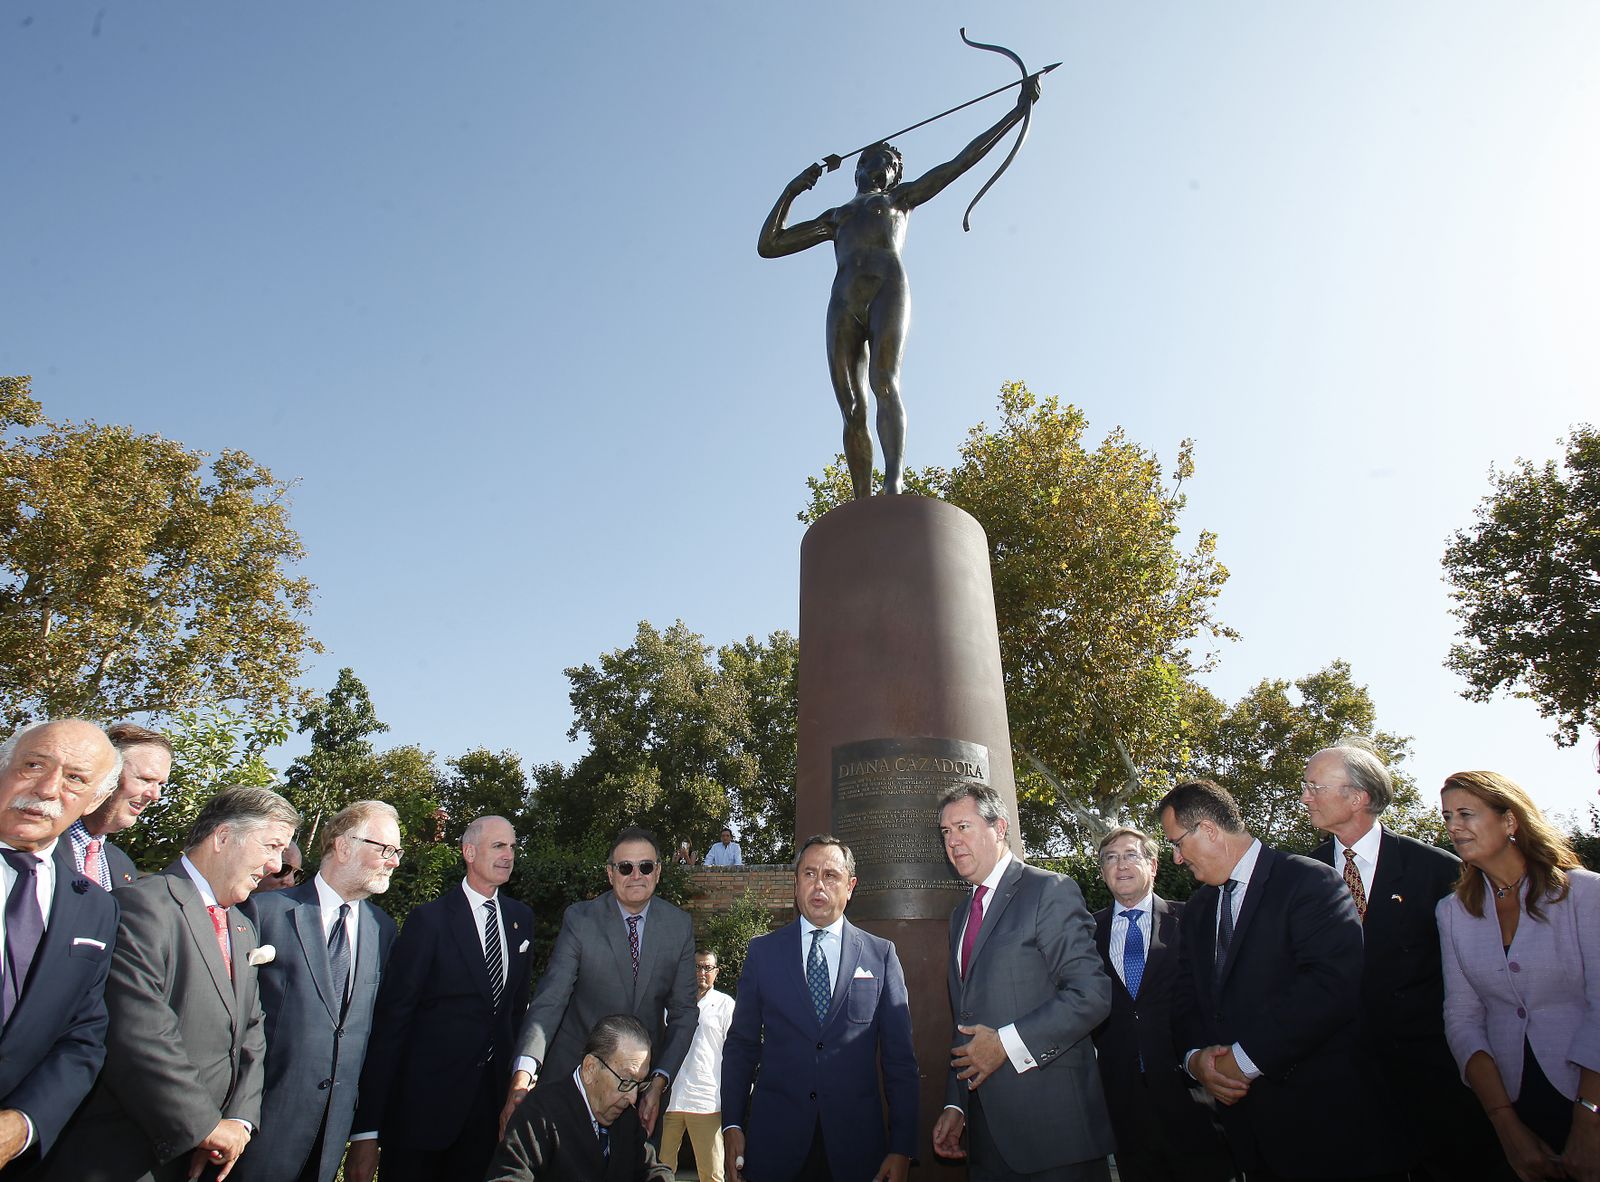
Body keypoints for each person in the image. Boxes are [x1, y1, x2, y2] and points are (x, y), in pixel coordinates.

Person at [757, 74, 1041, 499]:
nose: (885, 168)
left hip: (887, 287)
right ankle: (862, 501)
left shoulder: (897, 200)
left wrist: (1016, 112)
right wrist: (792, 189)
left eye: (892, 164)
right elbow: (770, 244)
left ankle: (893, 483)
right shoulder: (835, 216)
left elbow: (958, 163)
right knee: (851, 408)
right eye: (878, 159)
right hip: (843, 300)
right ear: (858, 166)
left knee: (885, 381)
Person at [41, 785, 300, 1182]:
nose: (275, 865)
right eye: (271, 846)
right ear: (223, 837)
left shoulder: (243, 926)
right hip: (125, 1156)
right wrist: (203, 1126)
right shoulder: (142, 904)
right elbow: (137, 1030)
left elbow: (251, 1031)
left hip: (201, 1157)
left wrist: (239, 1122)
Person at [1160, 779, 1404, 1181]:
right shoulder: (1200, 907)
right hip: (1249, 1137)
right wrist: (1196, 1059)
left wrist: (1242, 1061)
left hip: (1324, 1128)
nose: (1177, 858)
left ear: (1207, 830)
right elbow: (1186, 996)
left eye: (1178, 843)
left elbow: (1329, 987)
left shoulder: (1311, 882)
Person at [1302, 742, 1495, 1179]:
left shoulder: (1440, 871)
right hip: (1341, 1088)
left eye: (1316, 786)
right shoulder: (1300, 878)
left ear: (1358, 797)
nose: (1305, 796)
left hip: (1434, 1089)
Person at [931, 785, 1114, 1181]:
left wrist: (1006, 1045)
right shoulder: (961, 915)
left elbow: (1091, 994)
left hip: (1055, 1138)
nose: (953, 840)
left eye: (963, 826)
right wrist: (956, 1104)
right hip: (986, 1142)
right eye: (945, 832)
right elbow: (966, 1018)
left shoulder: (1049, 890)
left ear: (1000, 828)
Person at [721, 835, 917, 1182]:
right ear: (796, 884)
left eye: (831, 876)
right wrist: (733, 1124)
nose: (819, 886)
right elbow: (741, 1046)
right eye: (809, 874)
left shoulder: (881, 955)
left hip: (856, 1150)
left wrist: (902, 1146)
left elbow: (899, 1059)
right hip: (774, 1145)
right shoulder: (763, 954)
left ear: (850, 886)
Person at [349, 815, 533, 1182]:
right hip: (422, 1117)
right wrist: (366, 1131)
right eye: (499, 846)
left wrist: (516, 1084)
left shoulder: (521, 918)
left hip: (488, 1119)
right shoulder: (428, 921)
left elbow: (514, 1013)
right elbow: (392, 1024)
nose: (508, 855)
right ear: (469, 851)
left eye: (513, 847)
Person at [1436, 770, 1600, 1182]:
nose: (1454, 827)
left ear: (1510, 821)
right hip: (1515, 1104)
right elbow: (1462, 1018)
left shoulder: (1585, 893)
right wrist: (1505, 1124)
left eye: (1466, 814)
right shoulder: (1452, 912)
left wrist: (1589, 1122)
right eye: (1447, 817)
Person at [233, 801, 401, 1182]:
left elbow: (376, 1037)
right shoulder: (264, 911)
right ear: (344, 847)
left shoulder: (382, 929)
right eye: (385, 850)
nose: (393, 861)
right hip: (257, 1131)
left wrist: (364, 1133)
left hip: (329, 1141)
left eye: (397, 852)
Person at [507, 826, 697, 1138]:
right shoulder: (580, 920)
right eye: (625, 867)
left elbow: (684, 1013)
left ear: (658, 871)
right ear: (610, 874)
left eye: (645, 866)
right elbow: (551, 998)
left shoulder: (679, 926)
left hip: (640, 1094)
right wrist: (524, 1072)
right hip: (575, 1082)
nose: (636, 875)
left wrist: (659, 1081)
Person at [0, 720, 122, 1175]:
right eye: (34, 765)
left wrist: (25, 1123)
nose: (49, 788)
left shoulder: (95, 908)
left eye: (76, 779)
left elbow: (83, 1035)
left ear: (94, 801)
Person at [1090, 827, 1235, 1182]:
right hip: (1123, 1104)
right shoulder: (1085, 931)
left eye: (1130, 855)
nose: (1120, 864)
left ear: (1153, 866)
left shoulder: (1191, 920)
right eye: (1110, 858)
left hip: (1191, 1095)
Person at [486, 1014, 674, 1182]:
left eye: (639, 1084)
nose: (633, 1098)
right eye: (625, 1081)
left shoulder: (627, 1118)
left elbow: (652, 1170)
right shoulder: (538, 1113)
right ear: (590, 1068)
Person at [65, 721, 171, 890]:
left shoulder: (123, 866)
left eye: (161, 784)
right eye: (146, 779)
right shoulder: (38, 844)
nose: (155, 795)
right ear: (107, 774)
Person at [660, 949, 735, 1182]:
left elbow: (734, 1053)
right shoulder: (672, 1003)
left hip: (706, 1100)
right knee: (659, 1169)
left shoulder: (725, 1005)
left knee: (711, 1173)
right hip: (669, 1098)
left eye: (707, 968)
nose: (702, 972)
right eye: (697, 967)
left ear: (716, 972)